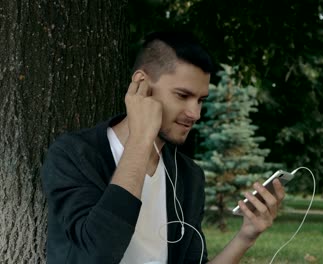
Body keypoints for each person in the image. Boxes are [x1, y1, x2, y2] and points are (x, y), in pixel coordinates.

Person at [41, 32, 285, 264]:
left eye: (200, 100)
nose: (195, 113)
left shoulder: (188, 176)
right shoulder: (74, 155)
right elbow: (95, 254)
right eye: (182, 95)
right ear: (142, 84)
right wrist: (140, 140)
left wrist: (246, 236)